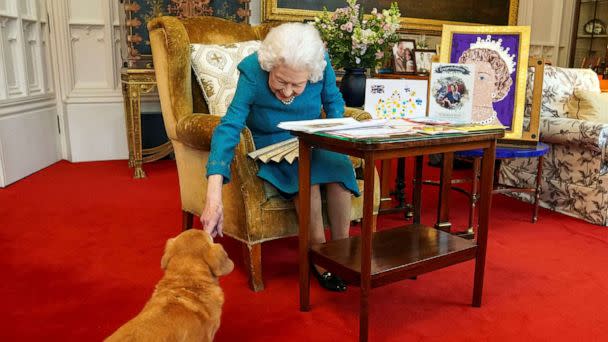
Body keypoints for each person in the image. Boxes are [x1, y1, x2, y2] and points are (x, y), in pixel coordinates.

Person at [201, 23, 359, 292]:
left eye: (297, 84)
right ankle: (319, 257)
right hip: (271, 142)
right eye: (280, 81)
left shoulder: (320, 64)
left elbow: (333, 104)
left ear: (311, 73)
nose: (287, 92)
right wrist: (213, 192)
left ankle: (340, 253)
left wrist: (337, 140)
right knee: (306, 178)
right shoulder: (252, 70)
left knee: (339, 172)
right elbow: (230, 125)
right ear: (270, 65)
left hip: (313, 138)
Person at [459, 47, 512, 125]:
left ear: (498, 86)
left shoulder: (497, 129)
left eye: (481, 78)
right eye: (468, 75)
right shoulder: (450, 123)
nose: (472, 83)